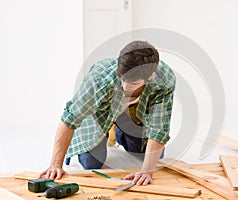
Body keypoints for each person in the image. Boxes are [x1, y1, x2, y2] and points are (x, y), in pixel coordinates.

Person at [39, 40, 176, 186]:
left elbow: (158, 131)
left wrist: (147, 171)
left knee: (153, 155)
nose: (125, 87)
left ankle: (118, 131)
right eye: (123, 79)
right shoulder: (100, 78)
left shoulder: (164, 81)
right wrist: (55, 164)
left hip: (133, 115)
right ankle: (108, 128)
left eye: (134, 83)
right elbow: (70, 118)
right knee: (91, 163)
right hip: (100, 115)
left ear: (150, 76)